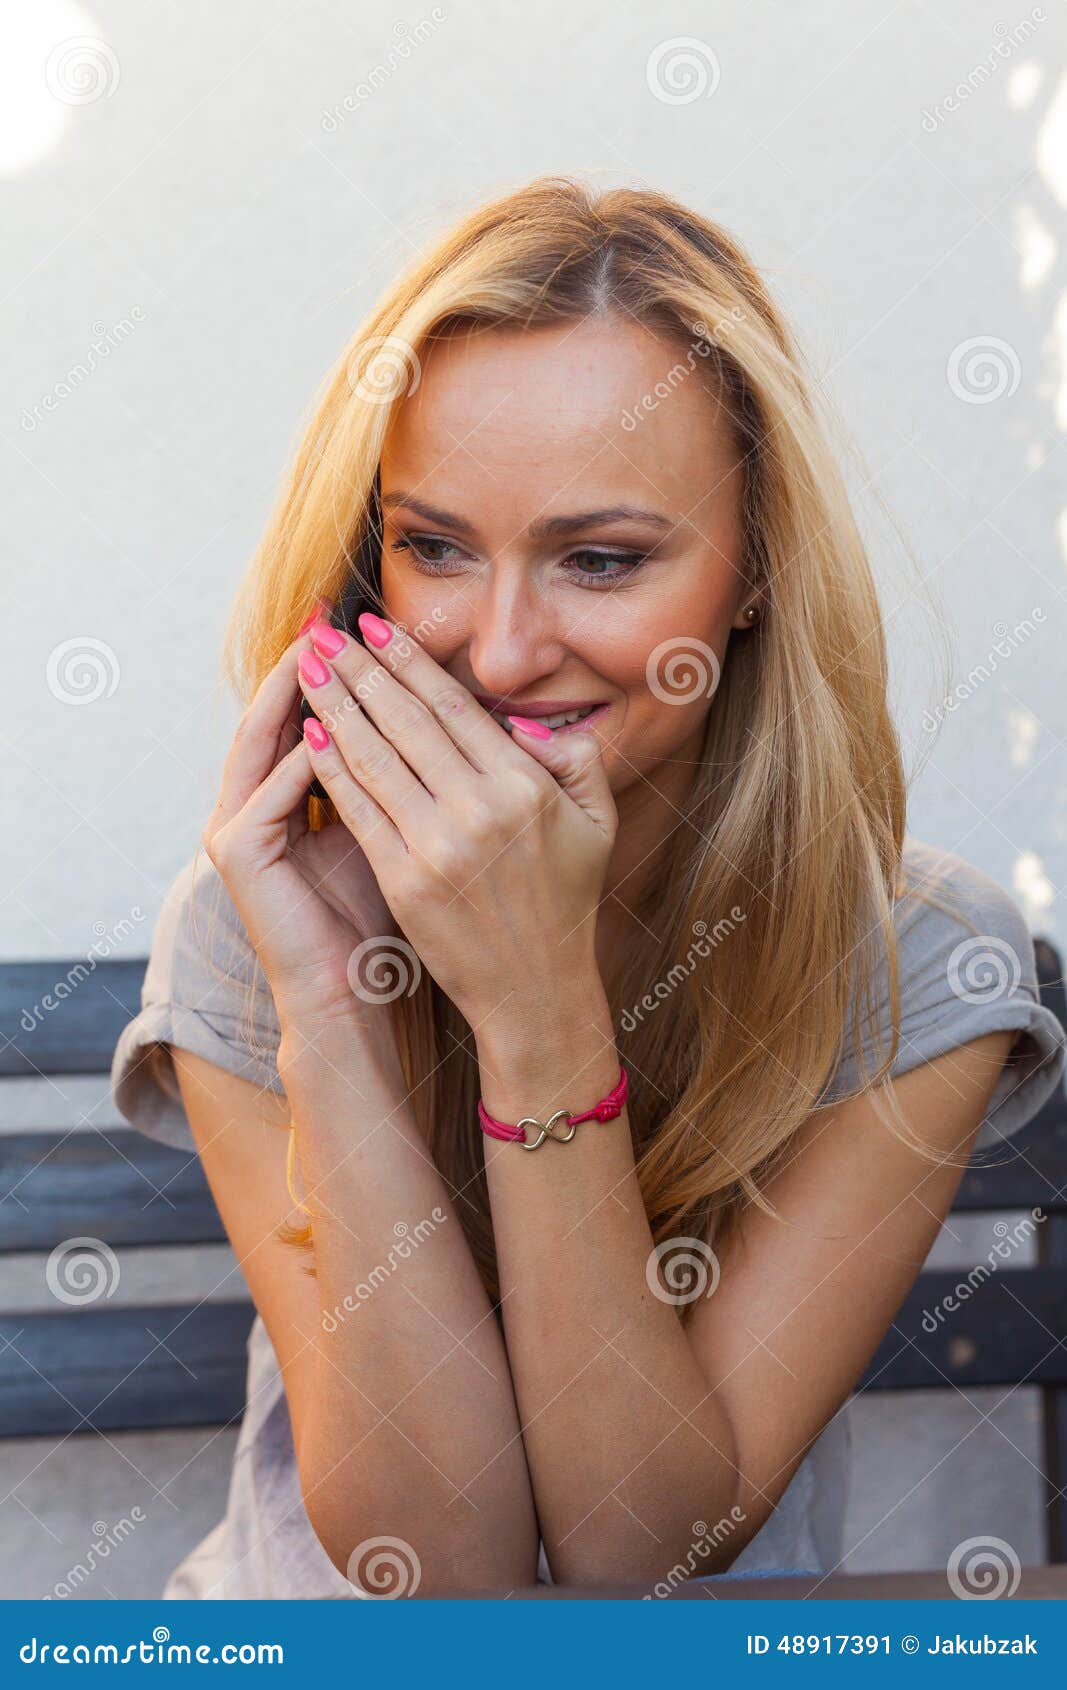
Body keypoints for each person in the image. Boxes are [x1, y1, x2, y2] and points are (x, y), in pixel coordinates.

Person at [111, 175, 1066, 1599]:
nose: (497, 655)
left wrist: (536, 1004)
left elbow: (640, 1552)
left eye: (600, 559)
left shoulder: (920, 964)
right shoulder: (262, 926)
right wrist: (327, 996)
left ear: (756, 572)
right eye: (433, 546)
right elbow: (435, 1575)